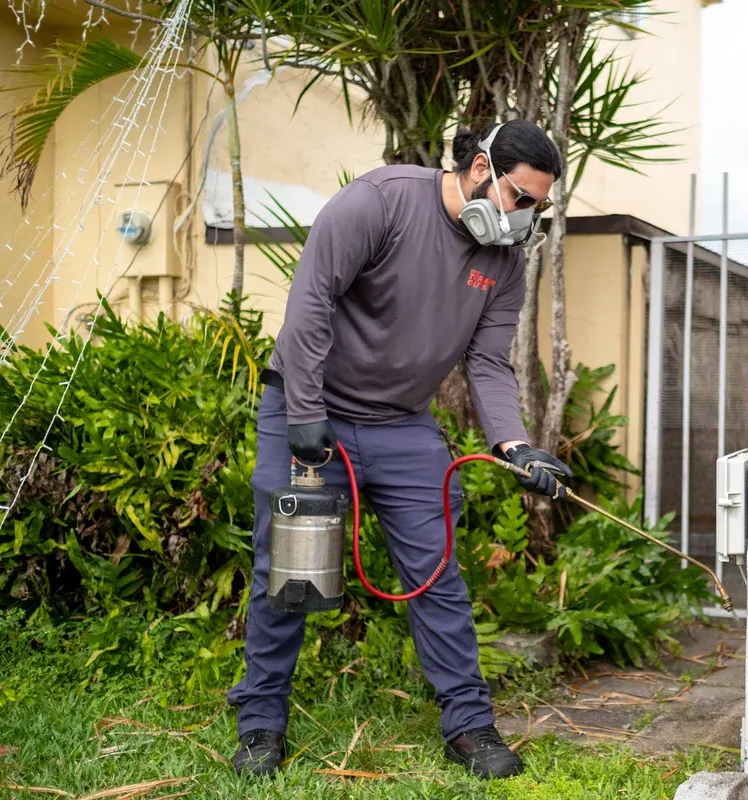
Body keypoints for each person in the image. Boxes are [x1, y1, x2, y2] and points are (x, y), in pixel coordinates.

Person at [226, 119, 573, 780]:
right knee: (293, 575)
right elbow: (310, 307)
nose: (526, 216)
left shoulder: (504, 262)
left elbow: (489, 364)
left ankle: (470, 725)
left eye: (539, 206)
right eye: (520, 197)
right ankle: (261, 724)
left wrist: (518, 445)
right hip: (309, 410)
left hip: (402, 425)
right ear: (478, 169)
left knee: (436, 572)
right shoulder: (378, 203)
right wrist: (304, 415)